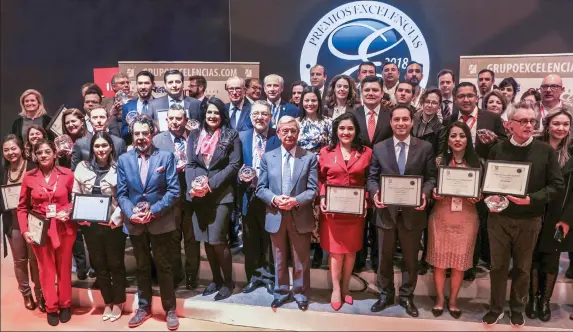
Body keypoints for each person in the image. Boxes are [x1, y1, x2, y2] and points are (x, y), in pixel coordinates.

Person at [482, 101, 564, 327]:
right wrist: (491, 199)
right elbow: (489, 184)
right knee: (498, 267)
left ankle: (517, 308)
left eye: (532, 121)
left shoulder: (545, 150)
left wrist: (531, 199)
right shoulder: (497, 148)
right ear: (509, 125)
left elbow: (557, 186)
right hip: (499, 219)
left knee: (522, 267)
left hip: (530, 220)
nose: (529, 125)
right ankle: (496, 308)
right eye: (523, 121)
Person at [368, 105, 436, 317]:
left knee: (410, 259)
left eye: (405, 119)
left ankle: (407, 296)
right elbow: (371, 178)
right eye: (396, 120)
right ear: (391, 122)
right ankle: (386, 294)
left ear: (411, 122)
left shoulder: (424, 147)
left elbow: (431, 178)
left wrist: (425, 194)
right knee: (384, 258)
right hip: (386, 212)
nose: (400, 123)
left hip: (412, 213)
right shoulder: (379, 148)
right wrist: (375, 193)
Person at [117, 115, 180, 330]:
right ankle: (143, 308)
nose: (141, 137)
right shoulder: (124, 160)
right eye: (137, 134)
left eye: (145, 133)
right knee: (142, 267)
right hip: (135, 222)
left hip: (160, 221)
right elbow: (122, 193)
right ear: (132, 136)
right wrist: (131, 213)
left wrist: (152, 212)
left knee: (164, 266)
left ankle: (170, 309)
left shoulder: (166, 157)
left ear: (152, 134)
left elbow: (174, 191)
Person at [441, 82, 508, 281]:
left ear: (477, 97)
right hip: (456, 178)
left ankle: (470, 263)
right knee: (456, 222)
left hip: (484, 179)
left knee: (476, 223)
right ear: (455, 99)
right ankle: (453, 262)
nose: (466, 99)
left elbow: (506, 146)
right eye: (461, 96)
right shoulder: (450, 119)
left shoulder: (491, 117)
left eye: (470, 95)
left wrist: (495, 140)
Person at [256, 116, 318, 311]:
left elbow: (313, 189)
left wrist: (295, 201)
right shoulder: (268, 157)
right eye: (285, 131)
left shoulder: (309, 157)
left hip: (300, 214)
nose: (289, 134)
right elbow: (260, 188)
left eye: (293, 131)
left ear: (298, 133)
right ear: (278, 133)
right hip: (276, 215)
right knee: (279, 258)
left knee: (301, 258)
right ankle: (281, 292)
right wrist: (274, 199)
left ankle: (300, 293)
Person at [185, 98, 241, 301]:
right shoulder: (194, 134)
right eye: (209, 112)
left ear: (222, 115)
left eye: (216, 112)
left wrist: (210, 184)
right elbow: (190, 164)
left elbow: (234, 166)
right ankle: (215, 280)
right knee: (206, 241)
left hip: (221, 195)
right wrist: (195, 186)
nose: (212, 116)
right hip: (198, 195)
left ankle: (228, 282)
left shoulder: (231, 135)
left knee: (218, 240)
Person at [17, 139, 76, 326]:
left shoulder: (67, 174)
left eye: (47, 152)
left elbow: (75, 200)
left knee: (64, 268)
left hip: (63, 228)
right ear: (35, 155)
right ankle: (51, 306)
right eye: (39, 152)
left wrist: (67, 211)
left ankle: (65, 304)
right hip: (39, 229)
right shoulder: (29, 176)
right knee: (46, 270)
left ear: (54, 153)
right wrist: (25, 230)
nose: (43, 155)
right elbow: (21, 207)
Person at [427, 122, 481, 319]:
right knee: (439, 262)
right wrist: (434, 193)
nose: (457, 139)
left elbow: (482, 190)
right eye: (453, 136)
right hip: (441, 218)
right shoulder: (438, 161)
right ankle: (441, 299)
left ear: (468, 139)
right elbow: (431, 184)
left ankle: (453, 300)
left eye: (462, 135)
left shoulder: (477, 163)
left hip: (466, 219)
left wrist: (478, 196)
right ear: (447, 140)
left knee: (459, 263)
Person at [318, 112, 372, 311]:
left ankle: (346, 287)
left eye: (350, 128)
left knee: (350, 252)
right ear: (336, 131)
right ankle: (336, 289)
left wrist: (366, 200)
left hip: (355, 211)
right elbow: (321, 179)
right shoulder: (326, 151)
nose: (346, 132)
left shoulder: (366, 152)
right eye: (342, 128)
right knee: (336, 252)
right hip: (333, 211)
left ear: (356, 130)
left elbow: (369, 180)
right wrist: (323, 197)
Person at [72, 132, 126, 322]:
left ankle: (119, 301)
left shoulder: (120, 167)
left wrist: (117, 217)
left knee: (115, 264)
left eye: (104, 146)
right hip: (89, 226)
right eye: (97, 146)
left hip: (112, 226)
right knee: (99, 265)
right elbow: (75, 193)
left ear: (111, 147)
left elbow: (125, 197)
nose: (101, 150)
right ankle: (108, 301)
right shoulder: (82, 167)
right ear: (92, 148)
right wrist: (79, 216)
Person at [525, 108, 572, 322]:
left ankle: (545, 300)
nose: (561, 128)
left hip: (560, 214)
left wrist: (567, 219)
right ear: (547, 124)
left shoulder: (572, 152)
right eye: (556, 123)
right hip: (533, 210)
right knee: (532, 256)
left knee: (551, 259)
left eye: (565, 124)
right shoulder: (535, 147)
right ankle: (532, 298)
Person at [152, 104, 200, 290]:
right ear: (166, 120)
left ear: (185, 121)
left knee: (192, 239)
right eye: (171, 118)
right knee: (172, 239)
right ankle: (176, 275)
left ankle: (192, 277)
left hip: (192, 196)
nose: (174, 122)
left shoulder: (196, 138)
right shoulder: (157, 140)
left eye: (178, 118)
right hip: (169, 198)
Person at [238, 100, 281, 294]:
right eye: (256, 114)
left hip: (270, 197)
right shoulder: (241, 137)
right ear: (250, 116)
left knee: (269, 240)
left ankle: (269, 277)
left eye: (264, 114)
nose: (260, 117)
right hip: (247, 195)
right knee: (250, 239)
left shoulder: (277, 137)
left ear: (271, 117)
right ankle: (253, 277)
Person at [1, 135, 42, 312]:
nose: (10, 153)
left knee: (36, 259)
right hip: (13, 220)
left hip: (32, 219)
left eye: (13, 148)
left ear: (20, 149)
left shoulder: (33, 167)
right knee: (19, 260)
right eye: (6, 150)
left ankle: (40, 293)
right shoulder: (3, 171)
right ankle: (26, 293)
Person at [297, 86, 332, 268]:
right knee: (302, 207)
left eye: (313, 100)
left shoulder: (328, 122)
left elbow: (332, 148)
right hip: (299, 170)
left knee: (318, 209)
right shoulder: (296, 122)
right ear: (301, 102)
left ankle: (318, 248)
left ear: (319, 102)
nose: (310, 103)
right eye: (307, 100)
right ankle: (303, 245)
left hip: (320, 171)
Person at [121, 71, 155, 144]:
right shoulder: (127, 107)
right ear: (136, 85)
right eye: (140, 83)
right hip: (135, 146)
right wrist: (132, 127)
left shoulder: (160, 105)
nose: (143, 87)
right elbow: (123, 133)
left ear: (153, 85)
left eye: (146, 83)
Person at [412, 89, 444, 155]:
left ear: (439, 106)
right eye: (427, 101)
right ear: (422, 103)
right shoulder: (411, 121)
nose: (429, 105)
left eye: (434, 103)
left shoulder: (441, 129)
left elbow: (440, 155)